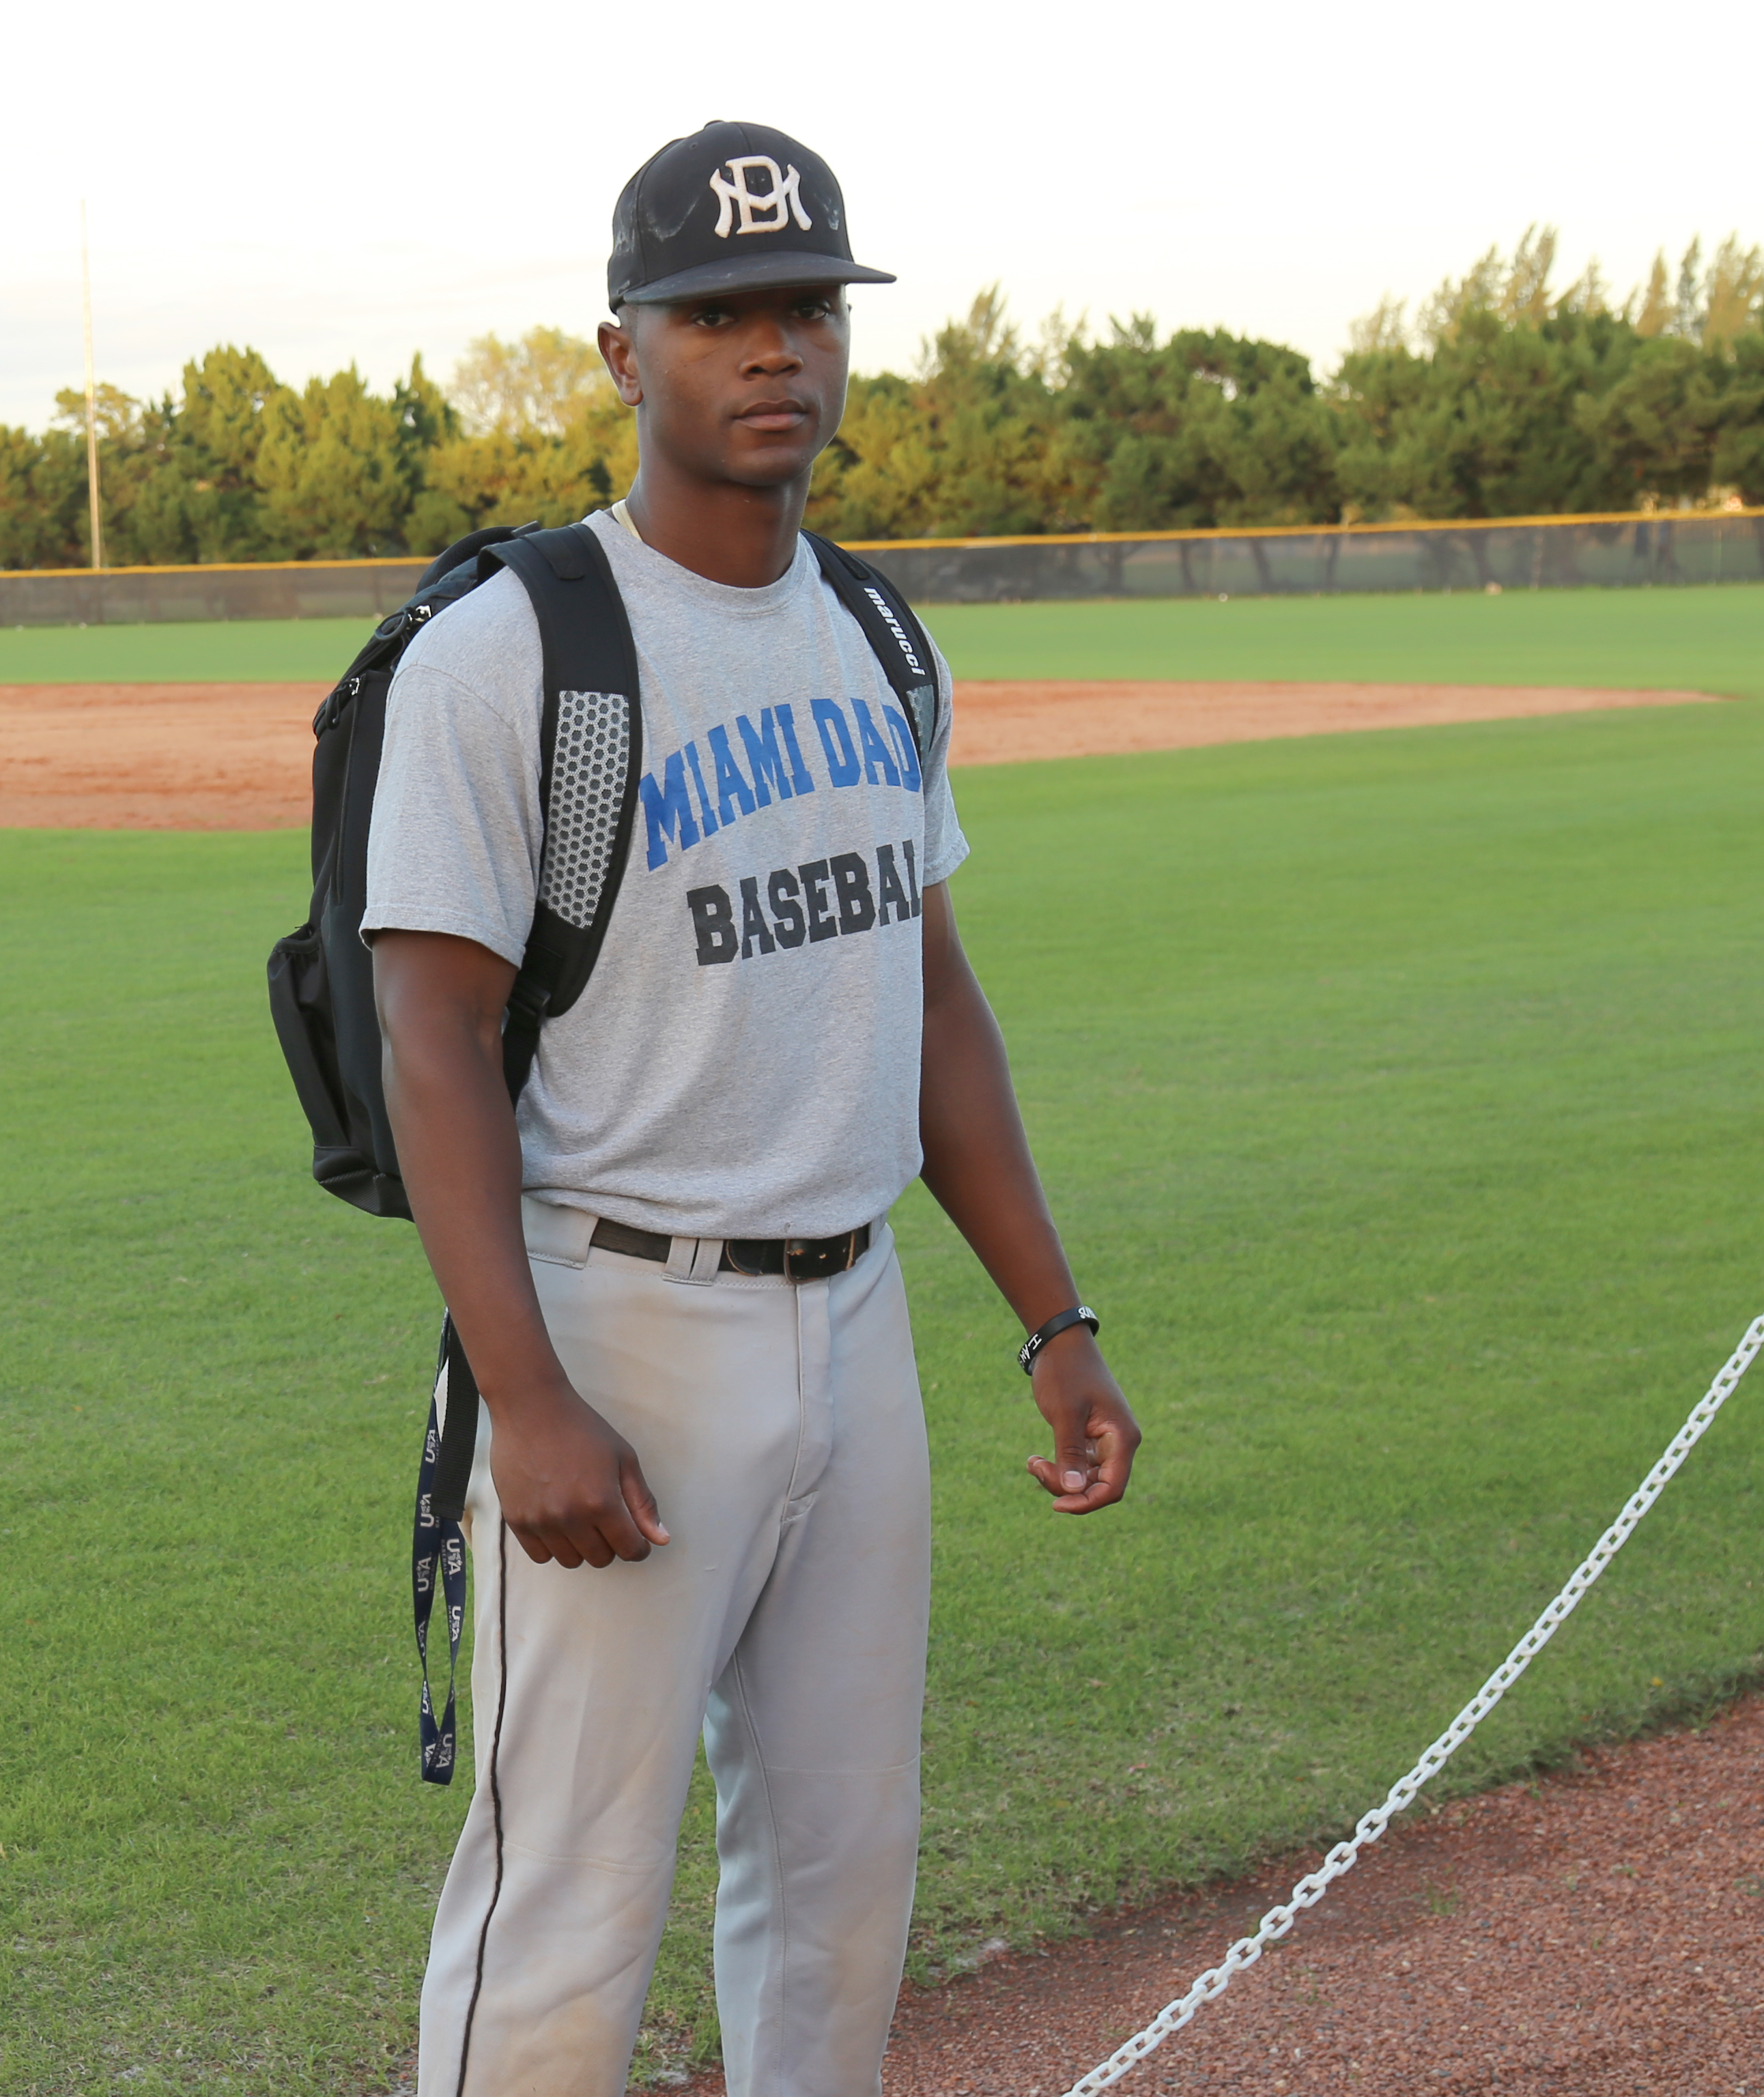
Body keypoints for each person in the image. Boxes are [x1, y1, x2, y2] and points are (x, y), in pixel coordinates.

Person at [363, 121, 1143, 2097]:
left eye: (806, 308)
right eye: (719, 316)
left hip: (854, 1316)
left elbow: (929, 994)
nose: (774, 349)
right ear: (624, 352)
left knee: (841, 1889)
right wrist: (524, 1395)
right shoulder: (514, 649)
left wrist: (1051, 1321)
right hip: (620, 1317)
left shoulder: (878, 632)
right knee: (565, 1909)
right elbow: (430, 1040)